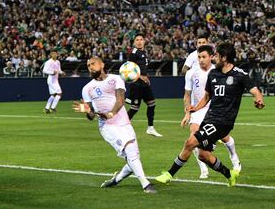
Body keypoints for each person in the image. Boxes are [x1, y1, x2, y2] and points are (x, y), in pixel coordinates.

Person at [155, 43, 264, 187]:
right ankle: (229, 174)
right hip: (209, 118)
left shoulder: (239, 75)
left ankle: (169, 174)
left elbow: (256, 91)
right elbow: (207, 96)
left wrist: (258, 99)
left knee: (190, 142)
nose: (214, 58)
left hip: (223, 122)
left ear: (224, 58)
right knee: (203, 155)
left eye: (217, 56)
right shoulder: (214, 74)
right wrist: (194, 109)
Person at [72, 57, 156, 194]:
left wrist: (111, 113)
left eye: (93, 64)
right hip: (107, 127)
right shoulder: (86, 88)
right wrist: (88, 111)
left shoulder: (116, 79)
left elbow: (120, 100)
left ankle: (116, 179)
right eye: (88, 65)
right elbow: (91, 116)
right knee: (130, 152)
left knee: (133, 157)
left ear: (102, 64)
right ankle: (146, 185)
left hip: (124, 122)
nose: (90, 67)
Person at [180, 45, 241, 179]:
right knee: (193, 138)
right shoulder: (191, 73)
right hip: (198, 109)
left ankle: (234, 157)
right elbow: (187, 94)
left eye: (203, 56)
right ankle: (203, 169)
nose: (201, 59)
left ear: (211, 56)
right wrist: (187, 112)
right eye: (199, 57)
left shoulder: (218, 70)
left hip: (214, 110)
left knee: (224, 137)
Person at [126, 33, 162, 137]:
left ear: (144, 41)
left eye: (141, 39)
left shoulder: (143, 52)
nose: (139, 41)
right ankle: (122, 126)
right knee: (134, 108)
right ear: (134, 42)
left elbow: (142, 68)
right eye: (137, 39)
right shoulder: (134, 53)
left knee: (152, 104)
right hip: (136, 84)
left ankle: (150, 128)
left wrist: (146, 77)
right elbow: (129, 68)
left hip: (144, 84)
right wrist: (141, 77)